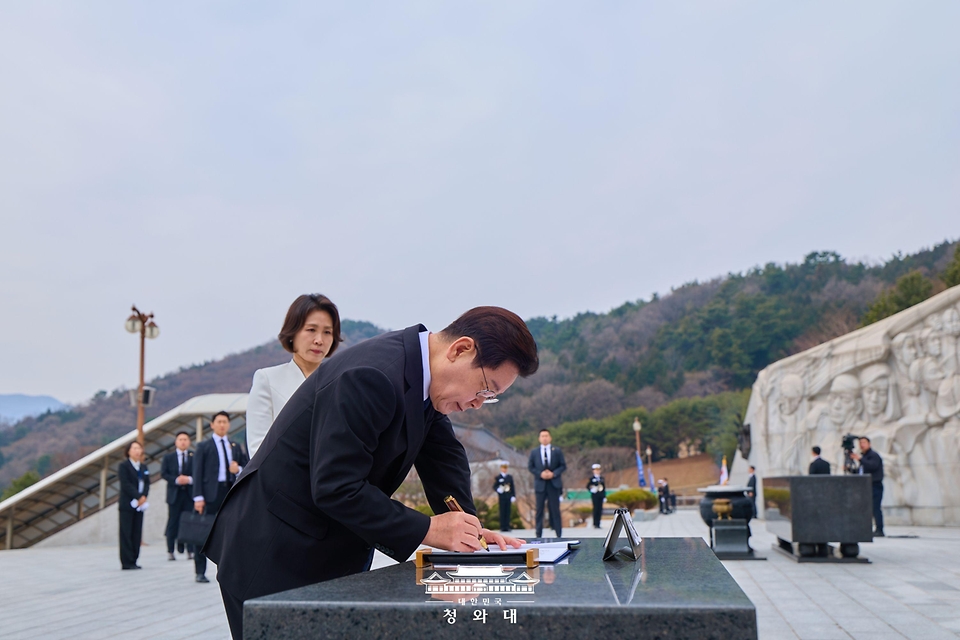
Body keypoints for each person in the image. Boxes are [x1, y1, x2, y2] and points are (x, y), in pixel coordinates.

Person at [203, 307, 539, 639]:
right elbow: (336, 487)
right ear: (460, 349)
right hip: (274, 553)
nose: (478, 403)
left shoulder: (423, 381)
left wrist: (470, 529)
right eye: (483, 388)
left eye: (490, 397)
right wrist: (429, 529)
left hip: (323, 550)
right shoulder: (373, 374)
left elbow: (444, 457)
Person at [246, 294, 342, 459]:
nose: (319, 340)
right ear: (293, 332)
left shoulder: (341, 383)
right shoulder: (267, 380)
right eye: (311, 330)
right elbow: (259, 451)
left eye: (327, 332)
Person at [193, 411, 248, 583]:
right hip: (210, 495)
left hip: (229, 492)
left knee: (230, 532)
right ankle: (200, 571)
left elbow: (246, 467)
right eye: (219, 421)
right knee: (202, 532)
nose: (222, 425)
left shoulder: (235, 446)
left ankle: (229, 569)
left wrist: (237, 469)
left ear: (229, 425)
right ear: (212, 425)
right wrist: (198, 497)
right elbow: (197, 472)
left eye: (225, 421)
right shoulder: (204, 446)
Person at [161, 431, 194, 560]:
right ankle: (170, 550)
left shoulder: (193, 456)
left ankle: (190, 550)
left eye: (185, 439)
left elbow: (198, 473)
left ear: (189, 442)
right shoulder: (169, 457)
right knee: (173, 522)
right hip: (174, 494)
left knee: (189, 522)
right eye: (180, 439)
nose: (183, 442)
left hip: (189, 494)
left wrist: (189, 479)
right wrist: (176, 479)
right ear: (176, 442)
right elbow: (164, 473)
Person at [528, 428, 566, 538]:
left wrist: (553, 474)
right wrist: (540, 474)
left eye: (546, 436)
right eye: (542, 436)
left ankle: (559, 533)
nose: (544, 438)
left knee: (555, 509)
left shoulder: (557, 451)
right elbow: (531, 467)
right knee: (539, 510)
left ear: (550, 437)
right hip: (540, 484)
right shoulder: (534, 452)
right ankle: (538, 534)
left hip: (553, 484)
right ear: (539, 438)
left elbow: (563, 466)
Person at [118, 441, 150, 570]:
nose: (137, 451)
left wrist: (143, 497)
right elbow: (125, 484)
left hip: (140, 505)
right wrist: (137, 496)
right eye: (134, 448)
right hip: (127, 504)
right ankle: (126, 561)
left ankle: (135, 559)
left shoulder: (143, 467)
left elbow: (147, 483)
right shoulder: (124, 466)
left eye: (139, 448)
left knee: (137, 532)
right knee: (126, 532)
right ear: (128, 451)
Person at [850, 436, 885, 536]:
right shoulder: (864, 457)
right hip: (866, 486)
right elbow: (862, 471)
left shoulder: (873, 455)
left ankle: (879, 529)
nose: (862, 445)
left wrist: (860, 459)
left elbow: (872, 466)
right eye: (860, 443)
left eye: (864, 442)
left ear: (869, 444)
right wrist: (850, 469)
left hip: (875, 485)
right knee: (867, 508)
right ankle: (867, 528)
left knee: (875, 507)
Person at [492, 462, 516, 532]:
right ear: (501, 468)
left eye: (506, 468)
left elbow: (512, 487)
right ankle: (502, 526)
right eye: (503, 468)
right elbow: (494, 486)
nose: (504, 469)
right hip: (502, 497)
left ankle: (507, 526)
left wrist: (513, 495)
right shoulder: (498, 477)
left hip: (508, 496)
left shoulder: (509, 477)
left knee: (508, 511)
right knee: (502, 511)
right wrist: (498, 489)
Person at [586, 464, 605, 529]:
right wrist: (592, 489)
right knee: (596, 509)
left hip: (600, 495)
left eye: (598, 470)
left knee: (600, 509)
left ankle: (598, 523)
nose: (597, 471)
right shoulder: (592, 479)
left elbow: (604, 488)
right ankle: (595, 523)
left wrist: (604, 496)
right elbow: (588, 486)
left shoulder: (602, 478)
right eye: (596, 470)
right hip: (595, 496)